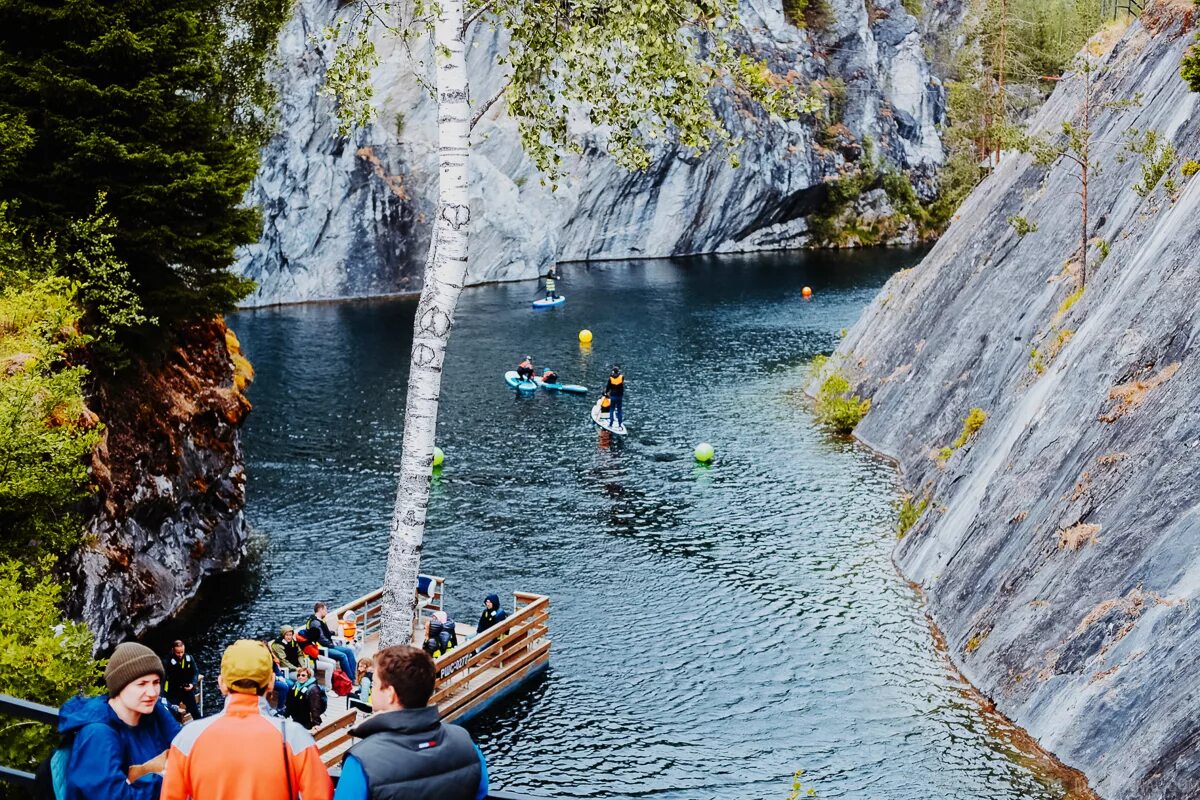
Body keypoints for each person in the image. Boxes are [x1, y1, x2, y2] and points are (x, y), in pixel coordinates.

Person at [161, 640, 332, 800]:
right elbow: (320, 794)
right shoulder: (295, 738)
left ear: (222, 684)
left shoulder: (188, 739)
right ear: (271, 682)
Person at [332, 646, 488, 800]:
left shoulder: (361, 760)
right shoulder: (466, 743)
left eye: (375, 685)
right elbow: (480, 793)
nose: (373, 690)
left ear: (390, 694)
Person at [60, 641, 182, 800]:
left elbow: (186, 751)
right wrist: (164, 778)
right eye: (142, 684)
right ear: (120, 686)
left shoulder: (154, 712)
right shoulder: (97, 734)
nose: (152, 692)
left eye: (156, 682)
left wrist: (135, 783)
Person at [305, 602, 357, 686]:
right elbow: (320, 638)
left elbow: (326, 633)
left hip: (328, 645)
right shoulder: (315, 623)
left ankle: (353, 677)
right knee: (343, 656)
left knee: (349, 651)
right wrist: (331, 645)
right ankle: (350, 679)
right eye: (325, 609)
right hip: (322, 648)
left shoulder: (320, 621)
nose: (326, 611)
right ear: (320, 610)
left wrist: (333, 633)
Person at [162, 640, 201, 721]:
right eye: (178, 653)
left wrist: (192, 684)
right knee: (172, 714)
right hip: (173, 692)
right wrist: (163, 695)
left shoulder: (189, 658)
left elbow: (195, 672)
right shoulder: (166, 662)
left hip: (186, 690)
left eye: (182, 652)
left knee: (195, 712)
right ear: (173, 650)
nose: (180, 655)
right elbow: (163, 679)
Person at [285, 665, 327, 731]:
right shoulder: (295, 686)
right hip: (297, 718)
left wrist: (316, 723)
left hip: (307, 721)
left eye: (303, 675)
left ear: (308, 677)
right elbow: (290, 702)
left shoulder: (313, 690)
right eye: (298, 675)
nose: (300, 677)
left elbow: (315, 707)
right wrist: (285, 714)